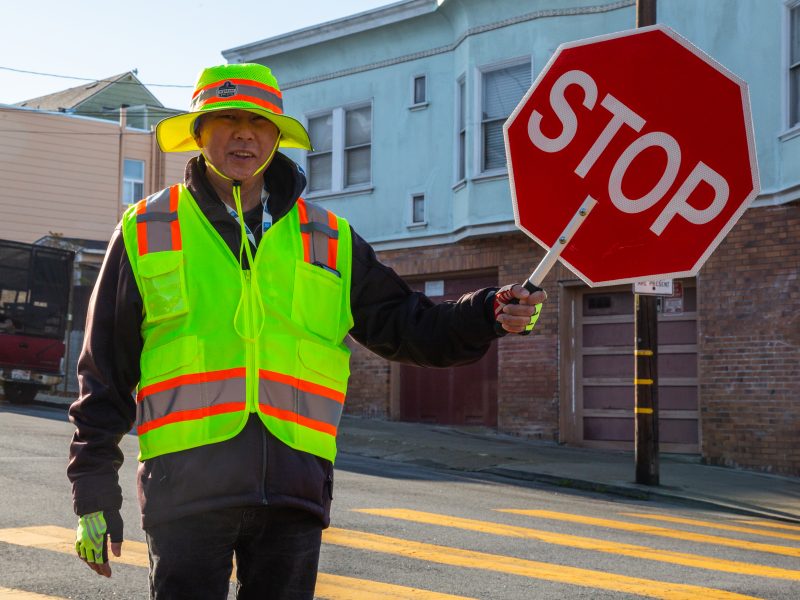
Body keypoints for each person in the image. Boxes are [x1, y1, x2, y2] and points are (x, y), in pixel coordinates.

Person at [68, 63, 545, 599]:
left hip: (293, 495)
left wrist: (486, 312)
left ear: (277, 138)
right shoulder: (147, 229)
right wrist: (92, 490)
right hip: (186, 496)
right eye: (227, 118)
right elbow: (103, 371)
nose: (245, 133)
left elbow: (410, 325)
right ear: (200, 133)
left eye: (260, 122)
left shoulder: (330, 238)